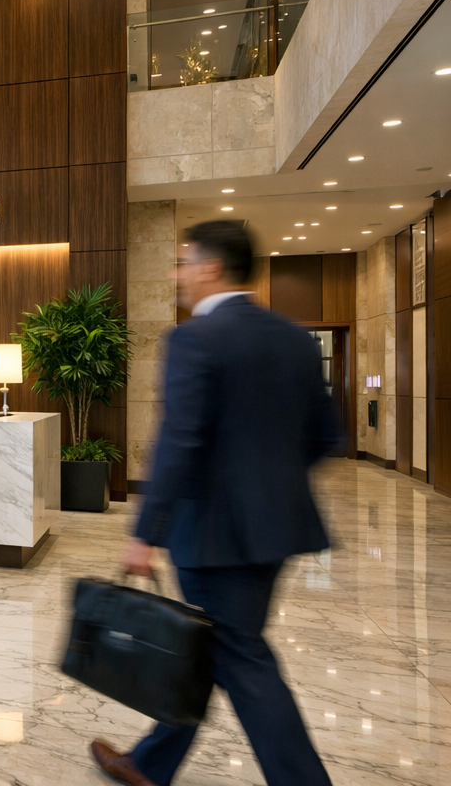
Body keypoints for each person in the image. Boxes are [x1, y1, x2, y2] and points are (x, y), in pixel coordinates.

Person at [91, 220, 337, 786]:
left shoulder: (193, 339)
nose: (176, 275)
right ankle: (148, 763)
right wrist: (267, 486)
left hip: (212, 536)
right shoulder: (295, 338)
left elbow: (180, 441)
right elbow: (327, 437)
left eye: (182, 263)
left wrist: (145, 532)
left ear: (210, 267)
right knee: (215, 647)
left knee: (242, 661)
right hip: (277, 530)